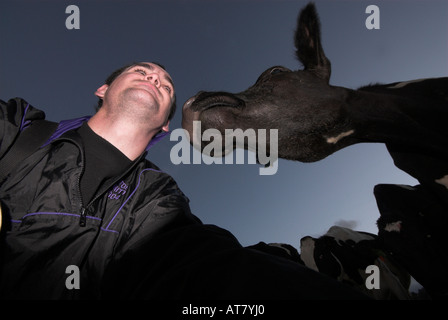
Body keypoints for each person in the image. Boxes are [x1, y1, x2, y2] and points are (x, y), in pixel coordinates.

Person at [0, 62, 368, 300]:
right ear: (102, 90)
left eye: (166, 84)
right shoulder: (19, 131)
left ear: (163, 127)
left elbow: (205, 270)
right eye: (142, 71)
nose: (155, 78)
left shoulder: (158, 202)